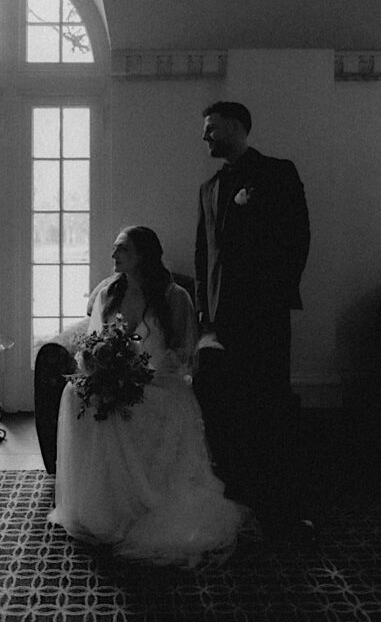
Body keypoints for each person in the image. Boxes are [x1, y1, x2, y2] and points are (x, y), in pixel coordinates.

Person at [50, 226, 245, 568]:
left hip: (162, 383)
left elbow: (185, 356)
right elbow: (94, 340)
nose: (113, 256)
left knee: (137, 405)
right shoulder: (108, 292)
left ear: (143, 254)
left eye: (121, 249)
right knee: (74, 395)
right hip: (118, 377)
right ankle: (101, 503)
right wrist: (99, 366)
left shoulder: (173, 297)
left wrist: (142, 373)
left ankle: (141, 502)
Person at [194, 101, 311, 543]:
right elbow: (205, 255)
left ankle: (282, 510)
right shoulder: (207, 188)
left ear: (237, 127)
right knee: (230, 411)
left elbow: (298, 237)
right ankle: (240, 501)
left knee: (270, 408)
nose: (205, 137)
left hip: (264, 317)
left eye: (211, 128)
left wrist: (274, 297)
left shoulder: (276, 173)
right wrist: (206, 314)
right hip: (221, 323)